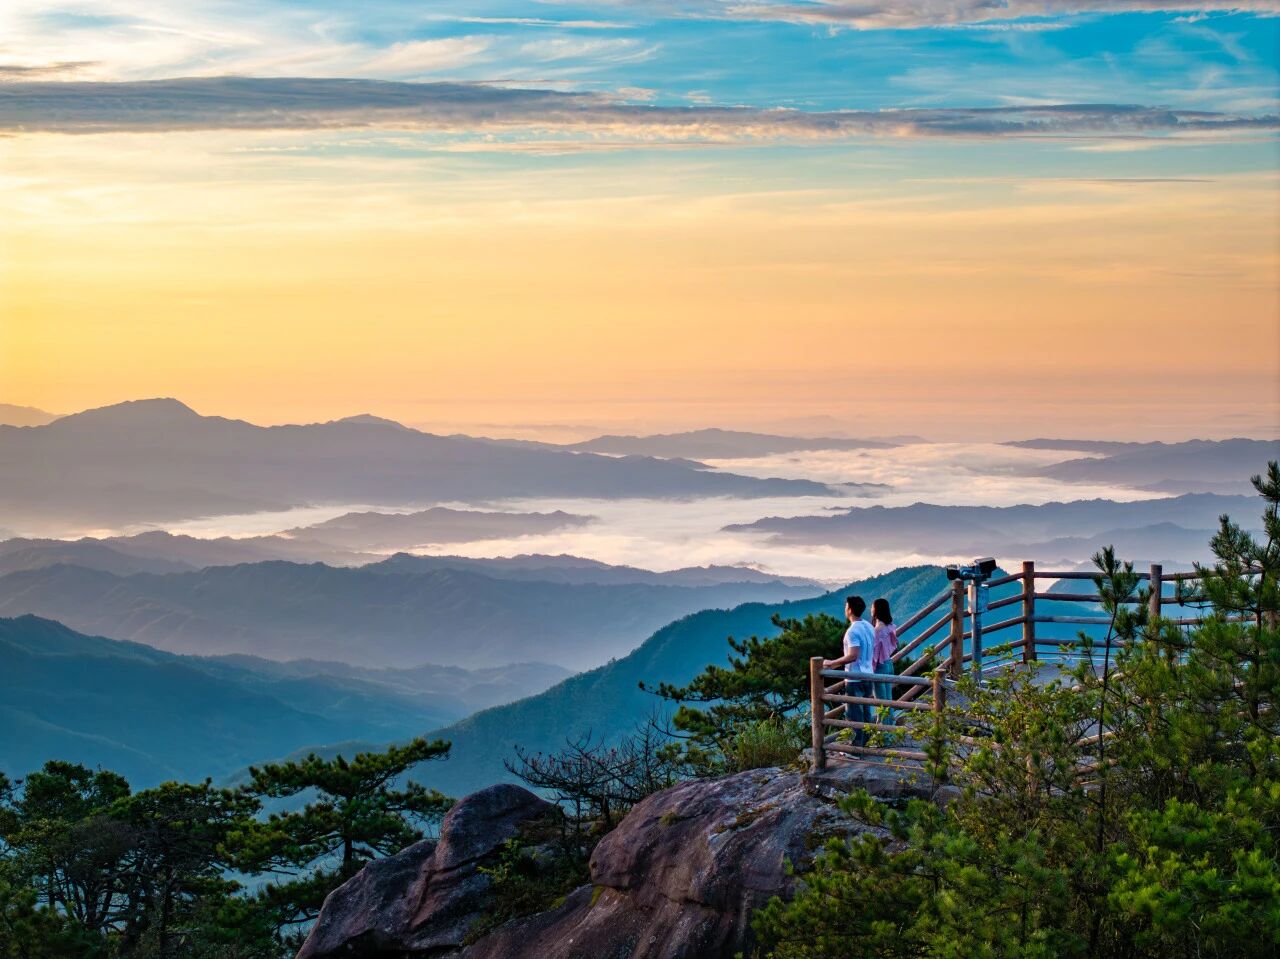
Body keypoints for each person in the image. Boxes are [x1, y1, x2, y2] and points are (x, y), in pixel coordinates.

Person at [823, 595, 876, 746]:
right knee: (866, 711)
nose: (845, 609)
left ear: (850, 609)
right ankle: (865, 743)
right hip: (868, 675)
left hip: (855, 677)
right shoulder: (869, 626)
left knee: (853, 714)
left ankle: (855, 747)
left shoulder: (852, 631)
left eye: (846, 606)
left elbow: (853, 656)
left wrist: (832, 662)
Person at [871, 598, 899, 723]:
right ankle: (890, 731)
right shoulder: (889, 626)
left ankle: (883, 735)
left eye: (872, 607)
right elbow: (893, 644)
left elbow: (874, 655)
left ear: (877, 610)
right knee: (888, 700)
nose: (870, 609)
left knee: (881, 704)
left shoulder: (877, 631)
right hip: (888, 663)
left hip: (879, 667)